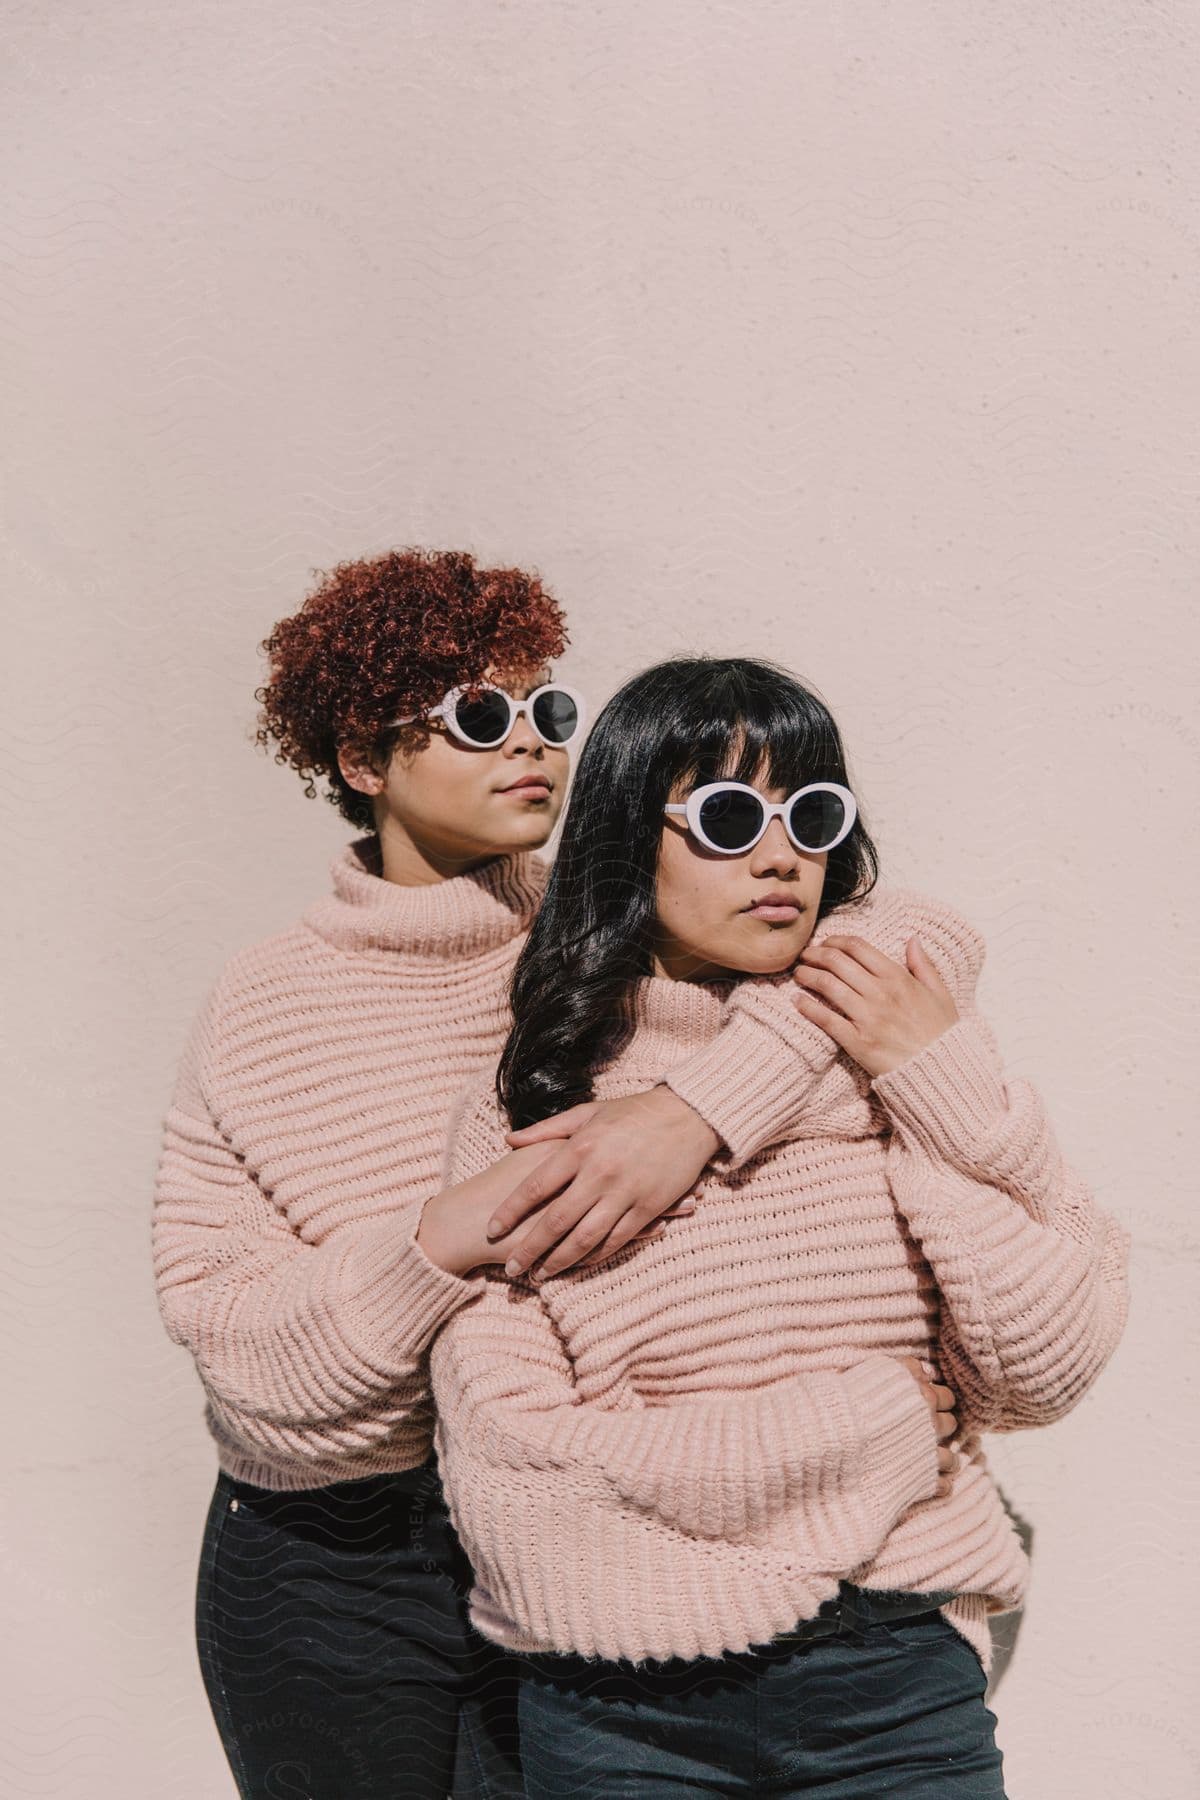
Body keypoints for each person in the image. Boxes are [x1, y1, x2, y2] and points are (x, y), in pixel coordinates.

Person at [151, 554, 845, 1799]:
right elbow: (231, 1338)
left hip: (569, 1525)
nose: (533, 744)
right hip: (334, 1561)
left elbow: (897, 936)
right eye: (483, 716)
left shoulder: (613, 927)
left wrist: (700, 1110)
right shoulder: (266, 1002)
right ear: (364, 761)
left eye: (549, 711)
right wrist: (433, 1245)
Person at [426, 653, 1131, 1798]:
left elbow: (1047, 1362)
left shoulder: (898, 1040)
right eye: (725, 815)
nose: (779, 857)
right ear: (622, 836)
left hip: (894, 1686)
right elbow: (517, 1480)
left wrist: (930, 1074)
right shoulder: (535, 1112)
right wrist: (868, 1423)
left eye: (812, 816)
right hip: (620, 1707)